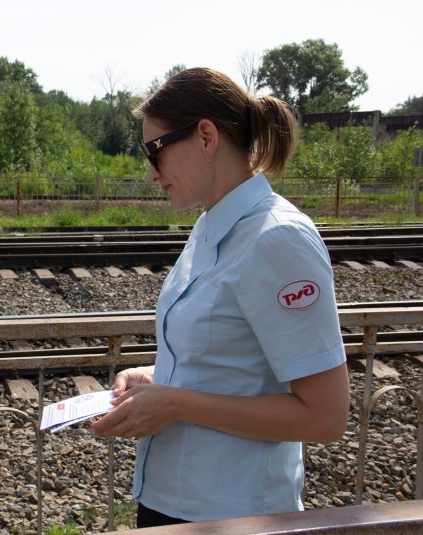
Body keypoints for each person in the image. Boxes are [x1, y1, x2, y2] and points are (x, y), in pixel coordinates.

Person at [91, 67, 350, 527]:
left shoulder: (277, 239)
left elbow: (325, 416)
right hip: (175, 502)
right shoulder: (211, 225)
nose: (152, 174)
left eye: (155, 152)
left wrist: (175, 403)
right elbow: (230, 360)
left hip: (234, 515)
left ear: (206, 137)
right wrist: (159, 378)